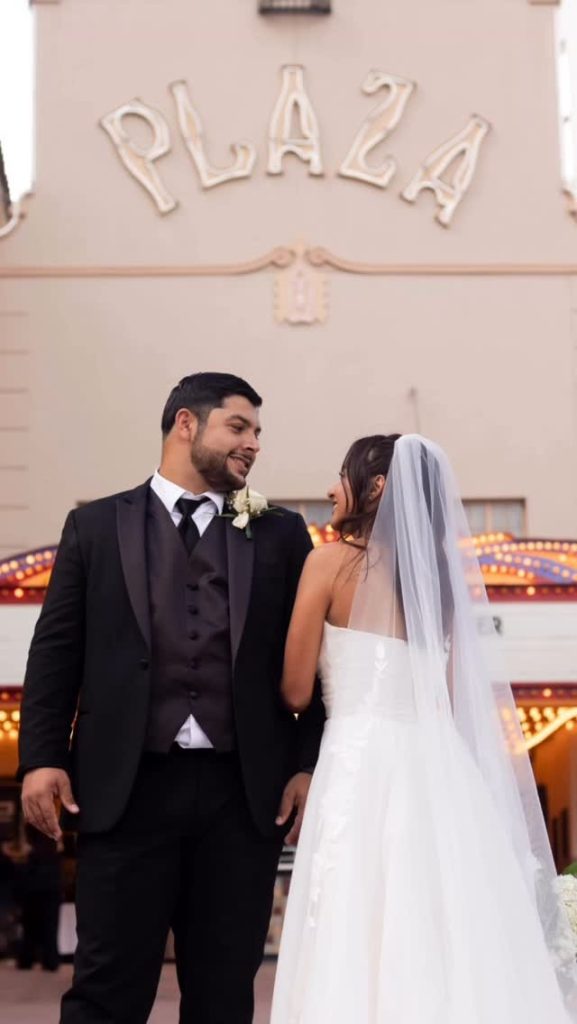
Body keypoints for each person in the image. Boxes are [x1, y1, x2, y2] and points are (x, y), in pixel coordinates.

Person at [18, 372, 325, 1024]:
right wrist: (41, 756)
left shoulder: (278, 532)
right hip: (124, 792)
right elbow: (54, 653)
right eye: (238, 427)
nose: (253, 445)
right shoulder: (95, 526)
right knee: (105, 987)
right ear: (186, 424)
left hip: (240, 798)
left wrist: (304, 763)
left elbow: (318, 663)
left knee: (221, 994)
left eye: (258, 433)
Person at [271, 433, 577, 1023]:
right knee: (443, 922)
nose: (331, 488)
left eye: (343, 474)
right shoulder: (438, 581)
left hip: (359, 759)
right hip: (441, 768)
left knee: (355, 917)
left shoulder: (328, 562)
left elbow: (294, 689)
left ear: (377, 486)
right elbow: (459, 696)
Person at [15, 825, 62, 972]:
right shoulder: (53, 843)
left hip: (34, 885)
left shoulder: (32, 846)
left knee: (29, 925)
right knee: (50, 925)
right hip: (51, 885)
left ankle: (26, 958)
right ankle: (50, 959)